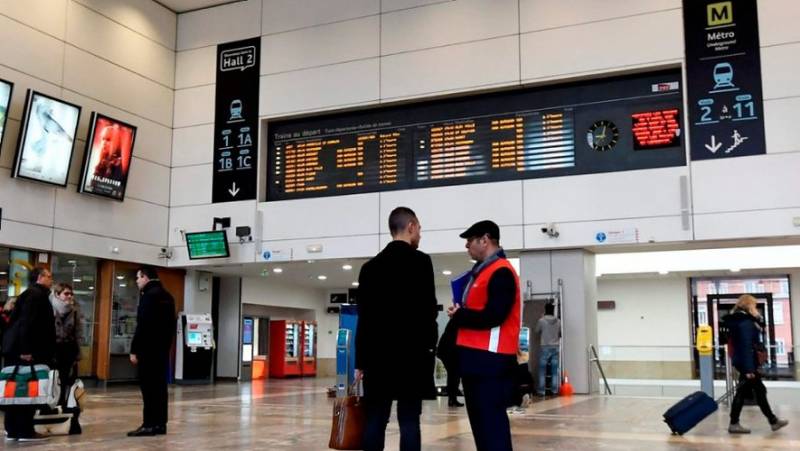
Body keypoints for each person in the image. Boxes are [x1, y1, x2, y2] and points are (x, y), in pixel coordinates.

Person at [355, 207, 438, 451]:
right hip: (412, 358)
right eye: (419, 228)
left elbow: (365, 319)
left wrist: (361, 362)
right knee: (410, 421)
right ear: (411, 226)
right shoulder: (422, 262)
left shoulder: (369, 268)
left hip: (377, 359)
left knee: (375, 420)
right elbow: (429, 312)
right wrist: (429, 348)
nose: (420, 234)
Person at [448, 220, 520, 451]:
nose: (467, 246)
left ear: (485, 240)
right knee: (482, 429)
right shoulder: (481, 272)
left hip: (490, 362)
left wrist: (461, 315)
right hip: (476, 362)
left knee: (492, 429)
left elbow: (495, 315)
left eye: (470, 240)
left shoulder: (501, 271)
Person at [2, 267, 56, 442]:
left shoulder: (30, 294)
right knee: (26, 389)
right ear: (40, 277)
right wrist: (25, 350)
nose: (51, 280)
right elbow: (27, 323)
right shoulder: (35, 295)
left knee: (15, 390)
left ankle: (12, 429)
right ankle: (24, 430)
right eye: (49, 276)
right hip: (27, 352)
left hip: (19, 350)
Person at [725, 294, 788, 434]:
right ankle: (736, 423)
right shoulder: (745, 322)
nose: (756, 308)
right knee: (752, 391)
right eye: (754, 305)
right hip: (747, 363)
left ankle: (772, 421)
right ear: (748, 306)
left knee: (755, 391)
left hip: (742, 361)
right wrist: (749, 369)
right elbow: (746, 346)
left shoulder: (739, 320)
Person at [127, 266, 176, 437]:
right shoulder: (168, 296)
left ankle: (148, 424)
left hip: (147, 350)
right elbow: (170, 326)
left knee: (148, 389)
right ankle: (160, 424)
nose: (136, 281)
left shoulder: (149, 296)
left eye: (138, 277)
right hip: (162, 351)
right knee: (160, 388)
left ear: (146, 277)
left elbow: (143, 325)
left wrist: (134, 349)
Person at [50, 283, 81, 407]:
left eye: (71, 294)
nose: (69, 296)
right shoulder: (49, 307)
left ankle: (63, 403)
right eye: (66, 293)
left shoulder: (74, 310)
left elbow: (77, 332)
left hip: (68, 349)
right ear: (57, 294)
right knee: (52, 378)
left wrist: (78, 353)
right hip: (53, 349)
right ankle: (51, 403)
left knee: (66, 378)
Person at [534, 303, 561, 396]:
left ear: (545, 310)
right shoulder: (558, 321)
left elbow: (536, 331)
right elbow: (560, 333)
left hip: (544, 347)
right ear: (553, 310)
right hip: (555, 347)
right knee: (554, 370)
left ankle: (541, 391)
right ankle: (554, 391)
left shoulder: (541, 321)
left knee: (542, 370)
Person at [436, 319, 463, 407]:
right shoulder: (457, 325)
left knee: (453, 375)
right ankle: (452, 399)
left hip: (447, 351)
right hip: (449, 352)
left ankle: (452, 399)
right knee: (454, 375)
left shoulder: (453, 323)